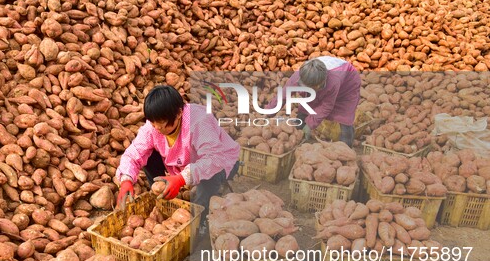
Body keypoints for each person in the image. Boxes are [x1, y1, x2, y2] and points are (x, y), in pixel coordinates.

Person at [115, 85, 240, 234]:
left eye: (162, 123)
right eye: (154, 123)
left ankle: (201, 221)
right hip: (184, 163)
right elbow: (134, 152)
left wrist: (181, 179)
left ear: (179, 113)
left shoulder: (199, 121)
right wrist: (126, 179)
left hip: (221, 162)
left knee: (207, 184)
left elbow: (213, 159)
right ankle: (161, 194)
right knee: (147, 156)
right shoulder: (153, 127)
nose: (158, 128)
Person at [268, 56, 361, 147]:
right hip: (321, 80)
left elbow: (326, 106)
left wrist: (310, 125)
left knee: (344, 116)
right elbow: (282, 96)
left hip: (348, 84)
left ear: (320, 84)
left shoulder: (333, 81)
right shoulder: (298, 77)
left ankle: (346, 146)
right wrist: (268, 112)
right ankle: (299, 136)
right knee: (306, 106)